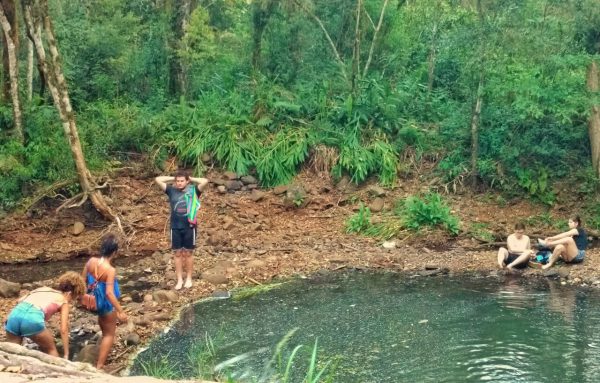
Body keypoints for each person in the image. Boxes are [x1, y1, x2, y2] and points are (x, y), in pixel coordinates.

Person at [4, 271, 86, 359]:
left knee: (11, 353)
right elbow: (63, 329)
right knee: (51, 350)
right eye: (74, 298)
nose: (71, 301)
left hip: (15, 315)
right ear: (70, 293)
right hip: (32, 319)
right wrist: (66, 354)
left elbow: (19, 300)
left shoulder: (43, 288)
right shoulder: (64, 301)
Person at [155, 170, 208, 290]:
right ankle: (179, 280)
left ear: (187, 181)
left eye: (182, 181)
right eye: (177, 181)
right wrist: (173, 178)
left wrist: (191, 178)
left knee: (188, 253)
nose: (179, 183)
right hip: (175, 227)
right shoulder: (171, 191)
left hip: (189, 227)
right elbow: (158, 179)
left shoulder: (194, 190)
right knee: (177, 253)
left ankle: (189, 278)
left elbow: (205, 181)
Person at [82, 233, 128, 370]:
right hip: (106, 305)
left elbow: (82, 280)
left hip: (93, 302)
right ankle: (100, 366)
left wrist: (81, 296)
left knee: (104, 327)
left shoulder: (91, 262)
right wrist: (120, 311)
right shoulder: (110, 270)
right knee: (109, 334)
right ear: (114, 252)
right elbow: (109, 293)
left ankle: (99, 357)